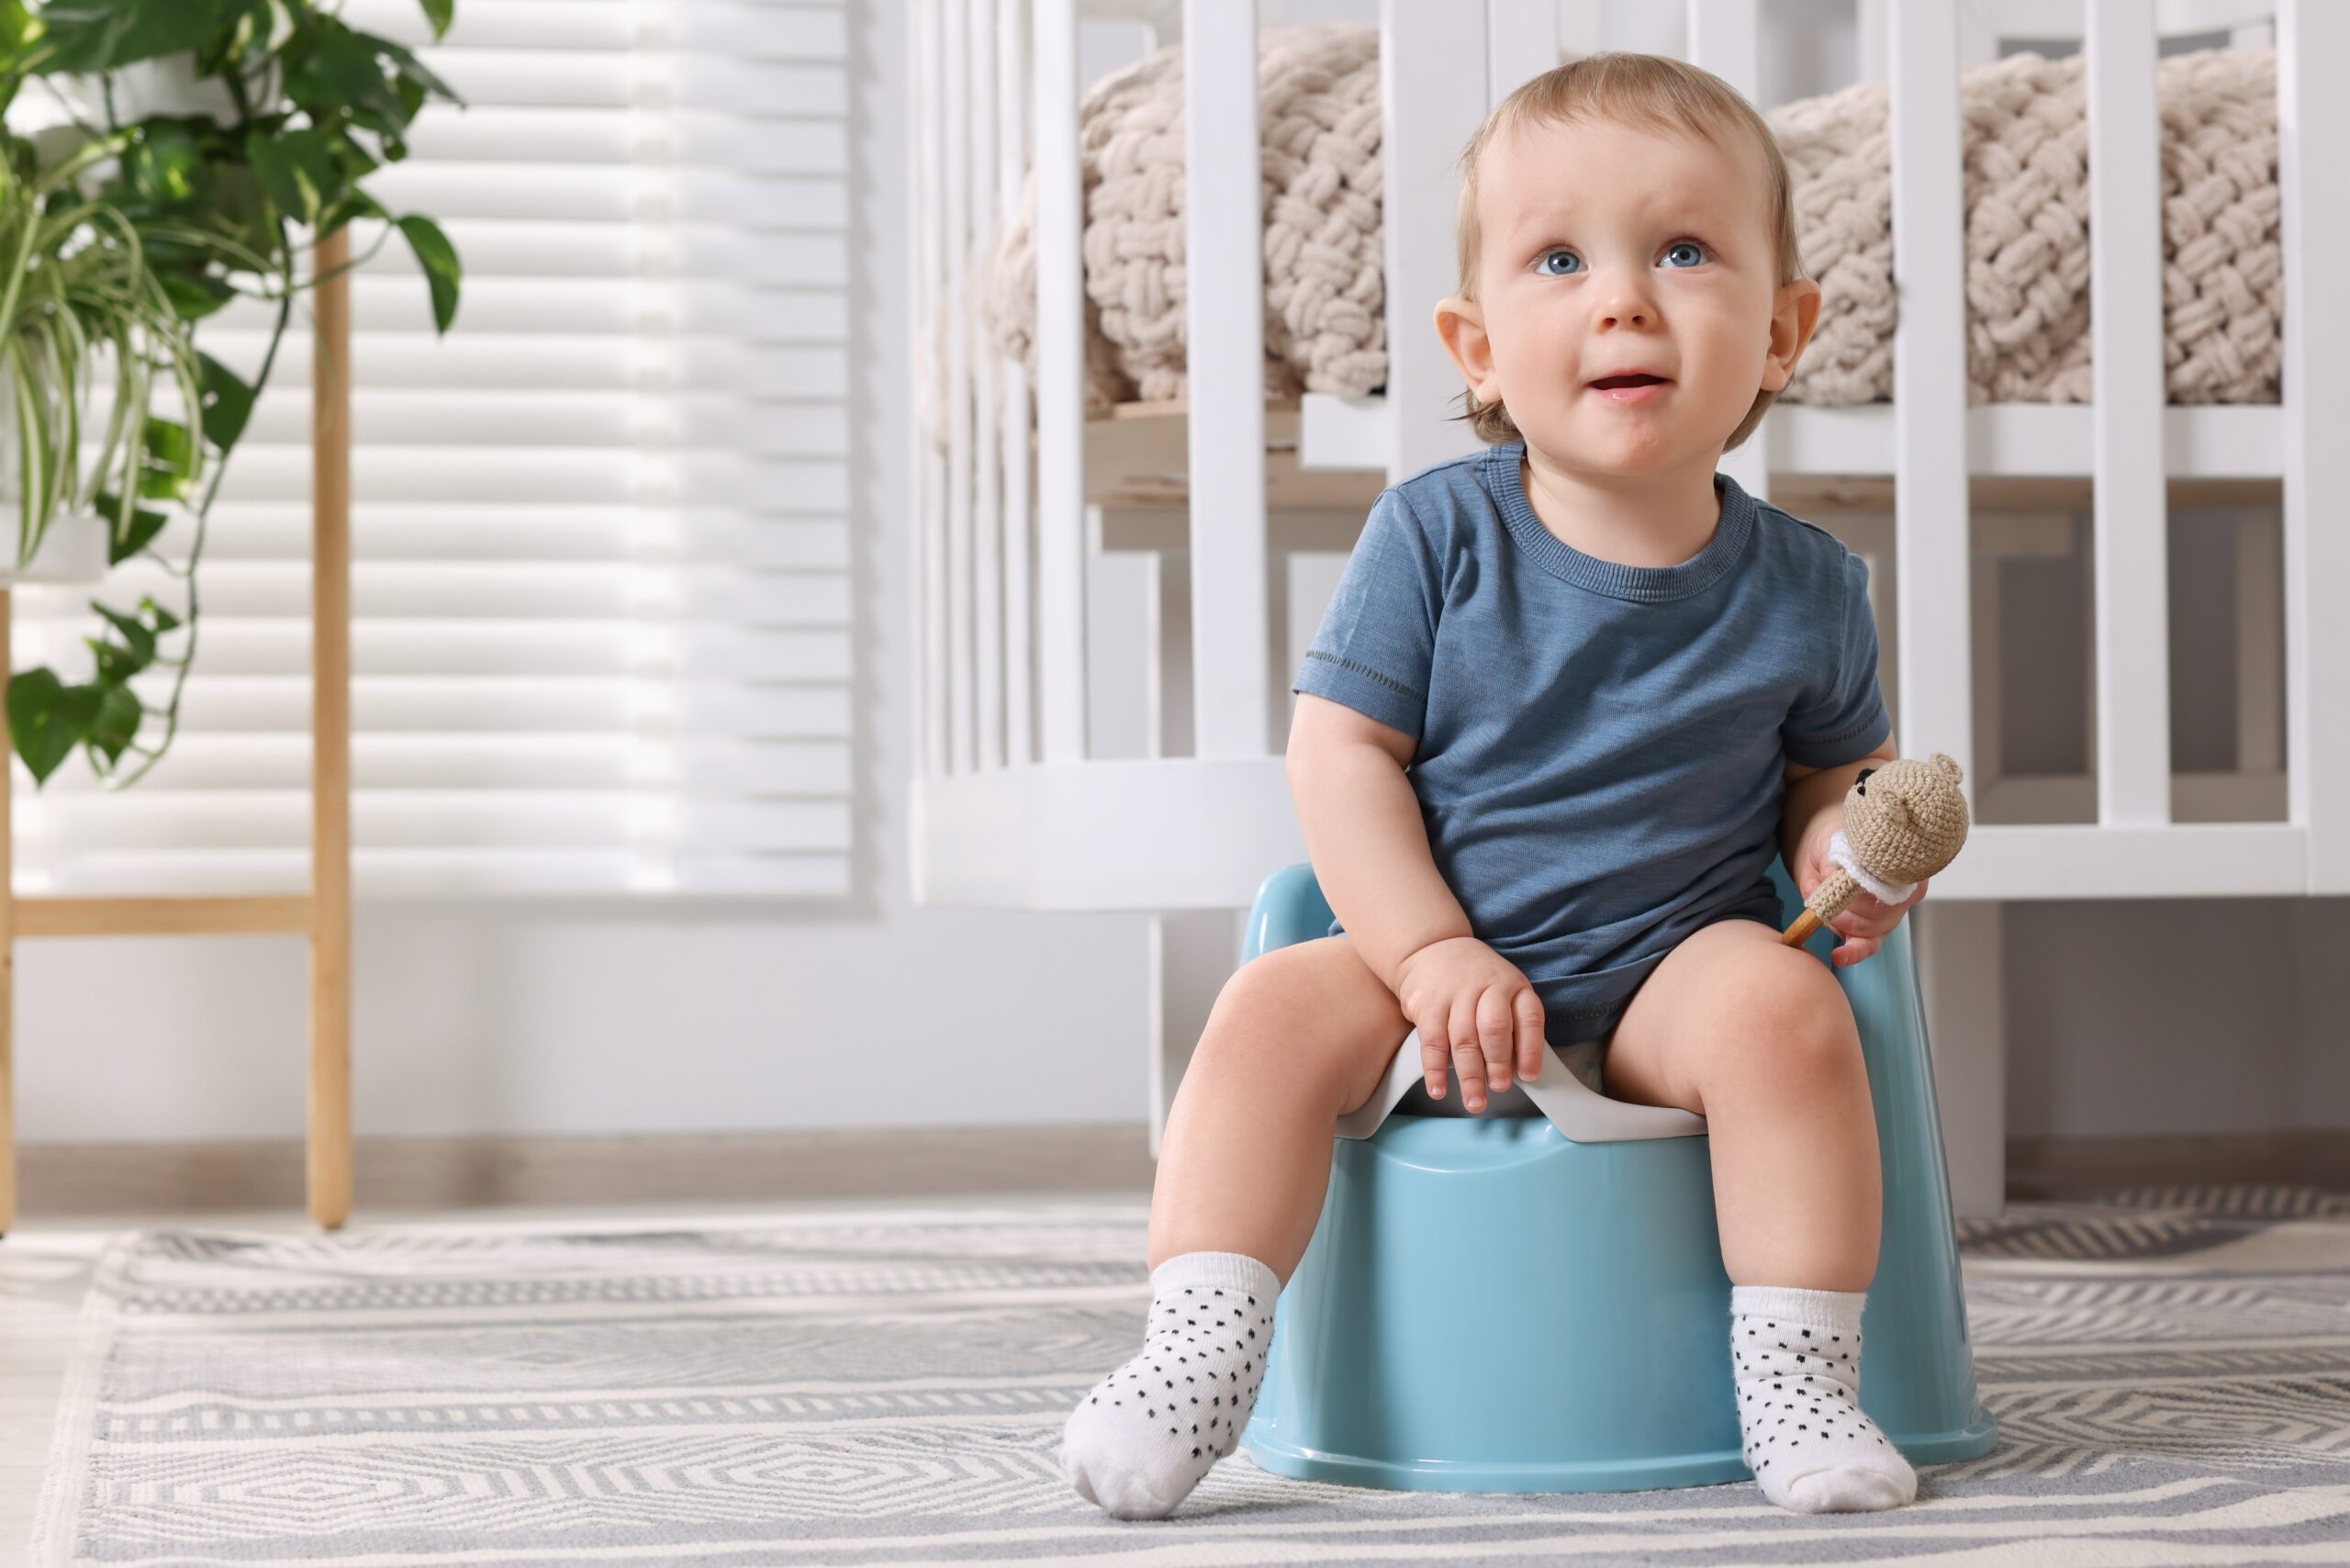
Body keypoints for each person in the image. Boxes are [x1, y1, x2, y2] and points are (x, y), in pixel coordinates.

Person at [1061, 51, 1928, 1520]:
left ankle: (1799, 1384)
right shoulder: (1437, 538)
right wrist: (1427, 949)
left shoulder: (1808, 586)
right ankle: (1199, 1352)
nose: (1624, 298)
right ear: (1475, 346)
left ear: (1783, 333)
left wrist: (1856, 851)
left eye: (1685, 250)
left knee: (1790, 1015)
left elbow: (1826, 785)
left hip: (1669, 978)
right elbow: (1340, 756)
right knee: (1269, 1005)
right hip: (1429, 959)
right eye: (1559, 258)